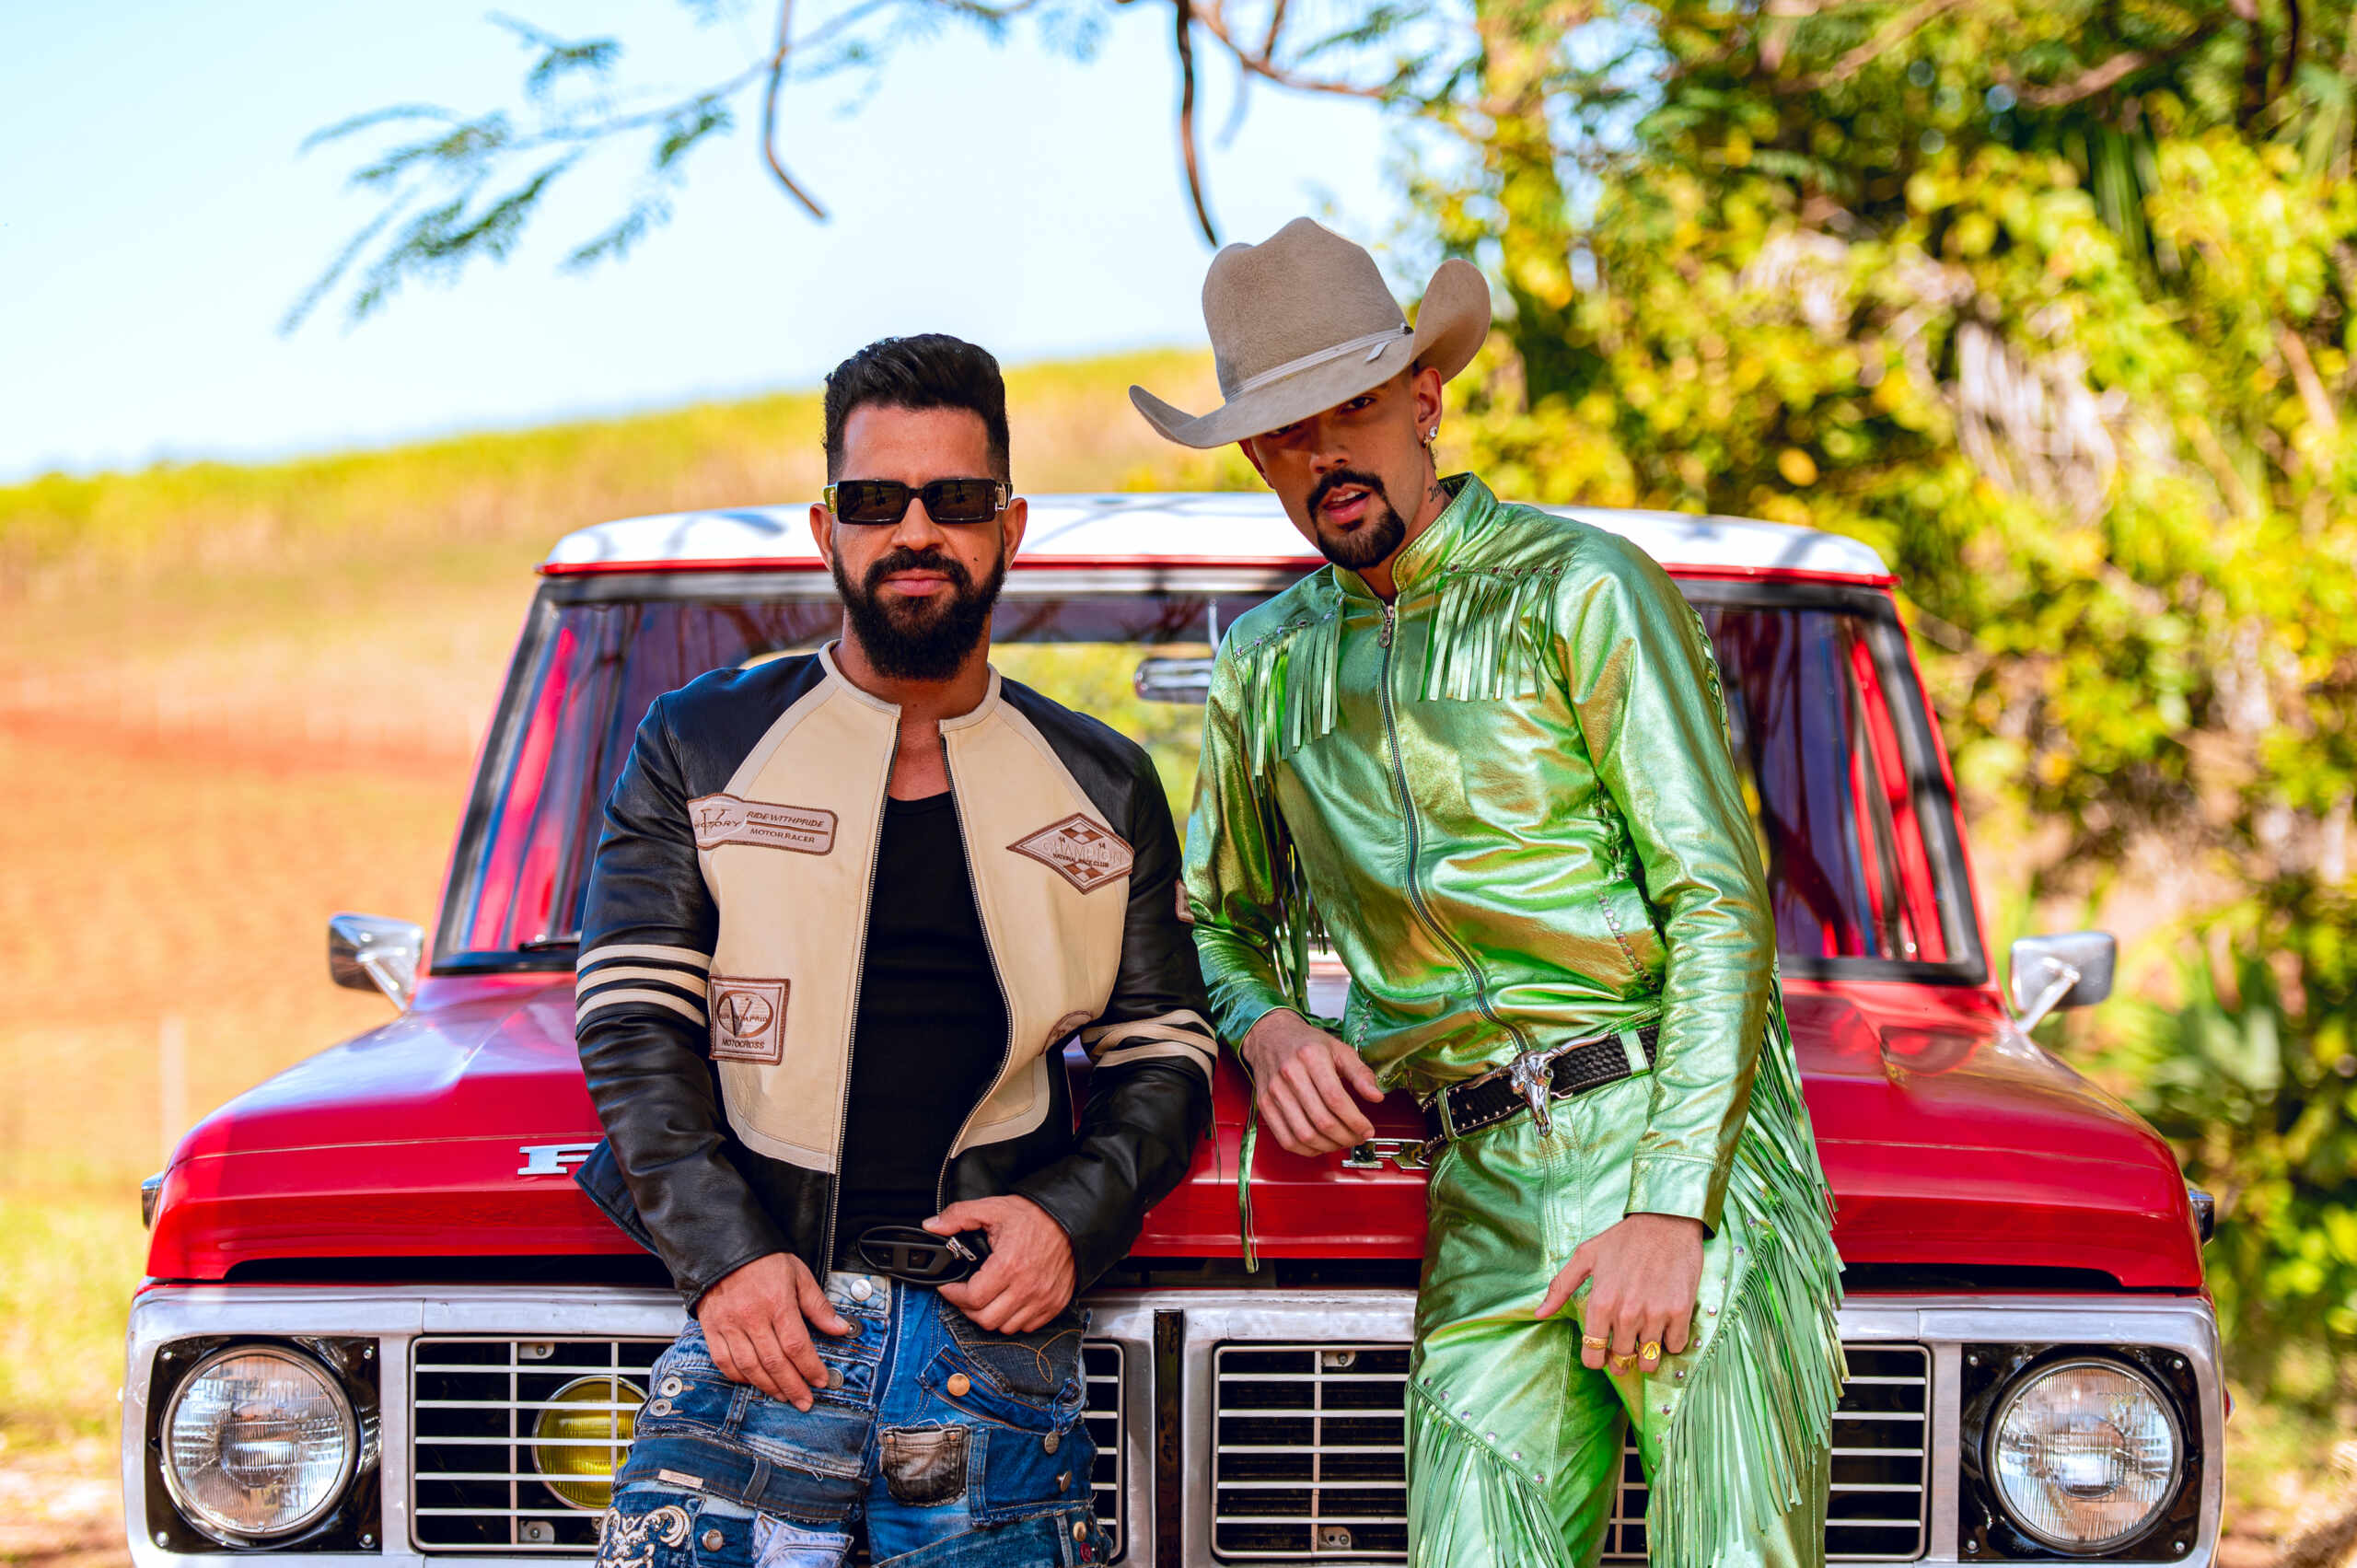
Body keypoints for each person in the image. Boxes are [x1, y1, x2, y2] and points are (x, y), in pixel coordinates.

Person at [1138, 219, 1846, 1568]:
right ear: (1256, 460)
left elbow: (1716, 897)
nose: (1326, 457)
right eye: (1287, 435)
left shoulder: (1582, 590)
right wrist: (1268, 1027)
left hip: (1672, 1130)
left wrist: (1670, 1205)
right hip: (1475, 1173)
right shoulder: (1268, 664)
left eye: (1352, 411)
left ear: (1425, 398)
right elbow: (1215, 919)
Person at [572, 332, 1214, 1568]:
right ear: (828, 529)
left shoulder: (1105, 782)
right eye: (876, 500)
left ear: (1009, 528)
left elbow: (1165, 1055)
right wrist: (727, 1258)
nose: (916, 531)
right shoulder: (699, 741)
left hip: (993, 1360)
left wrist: (1066, 1221)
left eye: (955, 500)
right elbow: (633, 1019)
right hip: (765, 1332)